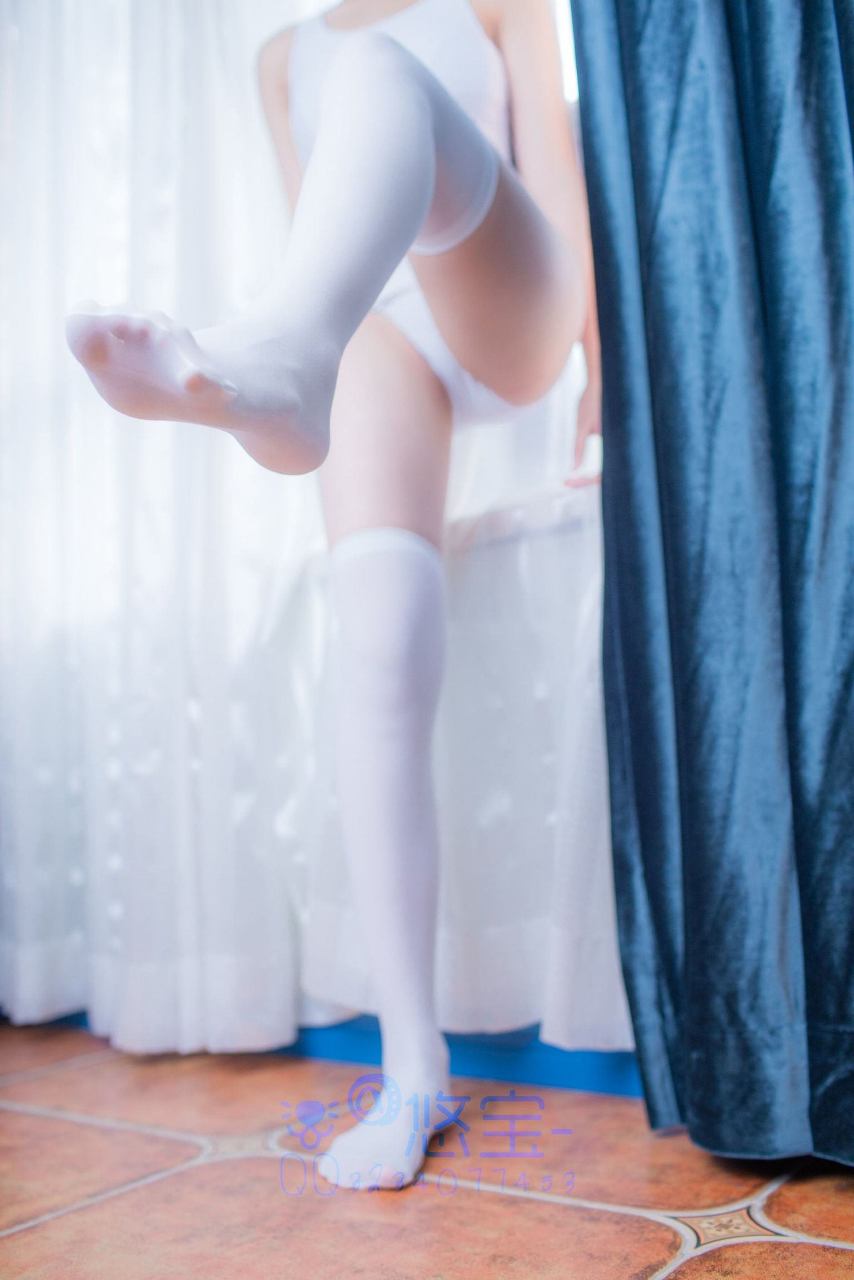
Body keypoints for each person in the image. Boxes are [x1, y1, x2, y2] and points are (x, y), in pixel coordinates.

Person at [65, 0, 602, 1191]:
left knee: (376, 72)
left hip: (510, 294)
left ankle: (286, 357)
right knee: (378, 637)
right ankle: (413, 1068)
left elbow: (559, 185)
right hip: (373, 329)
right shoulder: (278, 57)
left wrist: (603, 376)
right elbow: (323, 230)